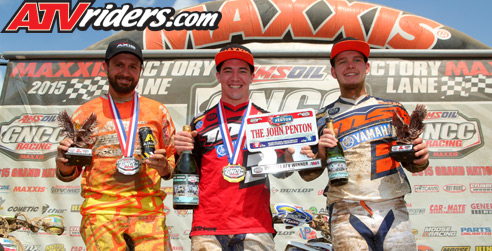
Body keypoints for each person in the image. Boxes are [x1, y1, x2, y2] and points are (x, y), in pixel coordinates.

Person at [299, 37, 430, 250]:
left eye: (357, 60)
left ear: (366, 67)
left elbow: (414, 164)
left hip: (392, 203)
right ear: (333, 71)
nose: (350, 65)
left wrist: (421, 158)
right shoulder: (321, 118)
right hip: (345, 208)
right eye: (342, 61)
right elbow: (307, 175)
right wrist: (320, 154)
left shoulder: (394, 109)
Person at [55, 38, 175, 250]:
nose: (125, 72)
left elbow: (174, 159)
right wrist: (63, 164)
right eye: (119, 65)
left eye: (132, 67)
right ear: (105, 67)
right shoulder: (85, 113)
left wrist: (165, 167)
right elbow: (69, 172)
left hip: (148, 211)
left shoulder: (158, 111)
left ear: (140, 70)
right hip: (101, 212)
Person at [174, 44, 293, 250]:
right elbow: (185, 173)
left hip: (255, 226)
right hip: (207, 229)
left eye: (242, 71)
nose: (235, 77)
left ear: (252, 77)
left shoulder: (269, 122)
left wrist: (292, 155)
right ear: (218, 76)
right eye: (228, 70)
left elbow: (283, 172)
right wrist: (179, 152)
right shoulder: (198, 124)